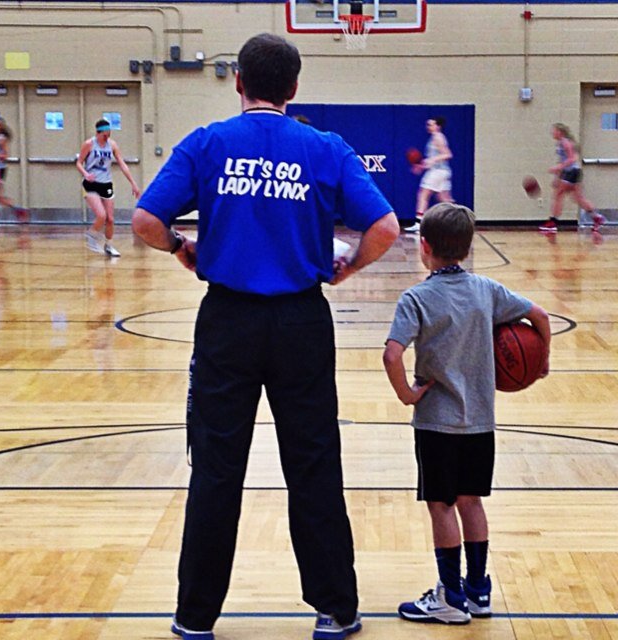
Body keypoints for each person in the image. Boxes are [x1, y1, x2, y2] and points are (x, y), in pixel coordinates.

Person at [132, 33, 400, 640]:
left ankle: (194, 616)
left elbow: (146, 219)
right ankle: (337, 608)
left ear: (238, 82)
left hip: (227, 322)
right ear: (294, 88)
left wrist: (181, 248)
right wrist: (350, 266)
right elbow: (384, 225)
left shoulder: (208, 143)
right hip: (302, 322)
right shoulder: (324, 148)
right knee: (313, 465)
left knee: (216, 469)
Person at [383, 203, 551, 625]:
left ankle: (450, 598)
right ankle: (478, 592)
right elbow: (541, 316)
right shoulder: (487, 290)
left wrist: (407, 394)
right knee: (471, 501)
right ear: (467, 245)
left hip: (436, 422)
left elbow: (392, 354)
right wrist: (542, 359)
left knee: (441, 506)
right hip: (480, 421)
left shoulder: (417, 297)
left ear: (424, 247)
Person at [76, 118, 141, 256]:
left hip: (106, 183)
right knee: (101, 215)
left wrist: (133, 183)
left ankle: (109, 246)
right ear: (98, 133)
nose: (107, 137)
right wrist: (85, 174)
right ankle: (91, 236)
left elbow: (122, 164)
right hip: (91, 184)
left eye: (109, 134)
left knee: (110, 219)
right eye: (105, 134)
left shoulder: (112, 145)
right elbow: (79, 163)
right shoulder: (89, 144)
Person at [540, 122, 605, 234]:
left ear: (559, 132)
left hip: (572, 172)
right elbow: (563, 160)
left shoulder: (565, 143)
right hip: (572, 172)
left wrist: (558, 168)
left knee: (558, 195)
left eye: (554, 130)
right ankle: (597, 217)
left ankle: (552, 223)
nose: (552, 133)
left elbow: (572, 159)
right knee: (577, 198)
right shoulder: (560, 143)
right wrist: (557, 176)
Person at [405, 117, 453, 234]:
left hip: (437, 172)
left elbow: (447, 154)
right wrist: (421, 166)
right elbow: (434, 159)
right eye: (428, 125)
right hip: (442, 171)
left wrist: (432, 160)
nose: (428, 127)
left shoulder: (438, 137)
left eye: (431, 125)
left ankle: (419, 223)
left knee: (423, 194)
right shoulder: (434, 138)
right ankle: (457, 223)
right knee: (445, 200)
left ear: (438, 126)